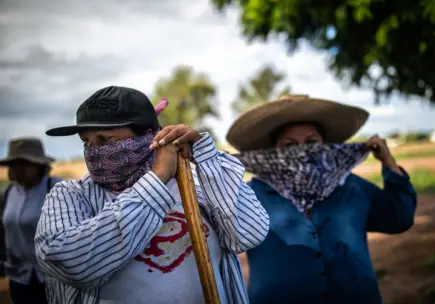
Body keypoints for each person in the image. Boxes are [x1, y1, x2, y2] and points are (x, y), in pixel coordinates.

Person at [34, 85, 269, 304]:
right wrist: (156, 180)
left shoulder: (195, 181)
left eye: (105, 139)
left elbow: (249, 234)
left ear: (147, 134)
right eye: (87, 142)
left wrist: (207, 158)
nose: (94, 151)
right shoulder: (70, 195)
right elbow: (72, 264)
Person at [227, 94, 417, 304]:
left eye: (312, 142)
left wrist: (388, 162)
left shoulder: (351, 186)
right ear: (272, 152)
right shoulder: (250, 194)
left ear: (326, 146)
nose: (303, 151)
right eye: (290, 145)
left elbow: (399, 218)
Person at [0, 137, 62, 304]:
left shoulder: (58, 189)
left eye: (24, 164)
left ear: (39, 165)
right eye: (13, 165)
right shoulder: (8, 194)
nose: (18, 170)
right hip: (19, 277)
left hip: (55, 278)